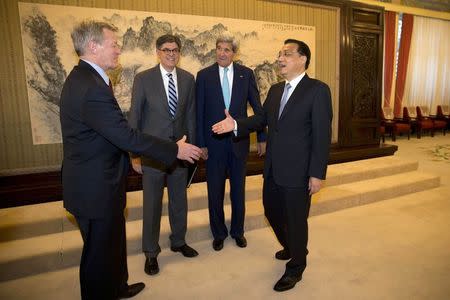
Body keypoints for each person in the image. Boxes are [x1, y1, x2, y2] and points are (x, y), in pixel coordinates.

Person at [59, 21, 201, 299]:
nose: (118, 49)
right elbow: (126, 133)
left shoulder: (89, 79)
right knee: (97, 257)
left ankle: (118, 286)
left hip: (103, 182)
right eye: (113, 44)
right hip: (94, 187)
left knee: (111, 246)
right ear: (93, 46)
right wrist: (172, 150)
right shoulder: (90, 87)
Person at [212, 39, 332, 292]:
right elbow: (261, 119)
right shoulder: (277, 90)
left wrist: (317, 174)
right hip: (273, 169)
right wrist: (235, 124)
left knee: (297, 220)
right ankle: (291, 245)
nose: (280, 58)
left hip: (299, 172)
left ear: (303, 59)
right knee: (271, 211)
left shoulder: (318, 90)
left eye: (286, 54)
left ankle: (296, 266)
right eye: (279, 54)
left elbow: (321, 136)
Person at [128, 34, 198, 276]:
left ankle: (178, 241)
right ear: (157, 52)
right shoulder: (143, 79)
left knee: (180, 200)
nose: (171, 53)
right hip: (152, 154)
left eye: (176, 50)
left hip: (180, 151)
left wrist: (194, 147)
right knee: (152, 204)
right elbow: (134, 117)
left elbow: (190, 115)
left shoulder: (188, 79)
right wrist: (134, 155)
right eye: (166, 49)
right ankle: (150, 252)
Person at [196, 34, 266, 251]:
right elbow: (198, 113)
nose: (222, 53)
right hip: (213, 143)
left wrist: (262, 137)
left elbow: (257, 108)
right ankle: (218, 232)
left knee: (238, 190)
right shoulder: (204, 75)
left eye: (227, 49)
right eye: (219, 48)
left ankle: (238, 231)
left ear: (234, 53)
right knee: (214, 191)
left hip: (239, 142)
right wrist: (201, 144)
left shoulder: (246, 74)